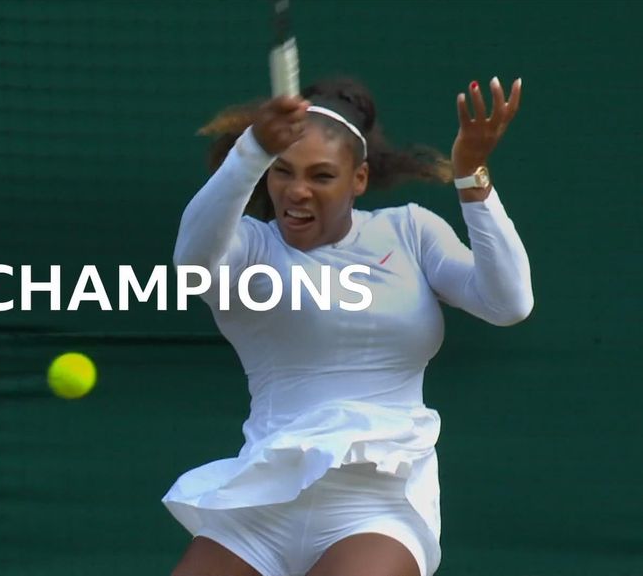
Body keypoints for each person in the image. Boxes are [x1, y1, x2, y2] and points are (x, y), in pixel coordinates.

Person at [162, 75, 531, 576]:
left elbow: (508, 302)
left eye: (321, 176)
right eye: (282, 171)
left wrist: (471, 177)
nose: (297, 191)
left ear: (358, 179)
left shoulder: (410, 230)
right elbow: (191, 264)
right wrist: (252, 150)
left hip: (377, 504)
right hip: (261, 503)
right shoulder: (247, 248)